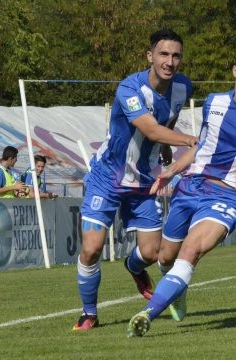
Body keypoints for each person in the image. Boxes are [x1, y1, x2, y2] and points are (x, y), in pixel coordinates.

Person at [126, 39, 236, 337]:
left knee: (191, 249)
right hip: (189, 187)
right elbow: (202, 147)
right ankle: (177, 289)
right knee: (166, 257)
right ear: (234, 70)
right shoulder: (214, 102)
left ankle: (147, 315)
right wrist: (173, 170)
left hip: (228, 196)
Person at [72, 28, 198, 331]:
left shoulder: (183, 87)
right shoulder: (130, 88)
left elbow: (165, 121)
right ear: (150, 56)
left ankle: (133, 266)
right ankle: (89, 313)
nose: (170, 61)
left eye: (176, 55)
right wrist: (191, 141)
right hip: (107, 178)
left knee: (153, 253)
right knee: (91, 249)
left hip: (144, 183)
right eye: (163, 54)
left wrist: (167, 145)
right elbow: (151, 129)